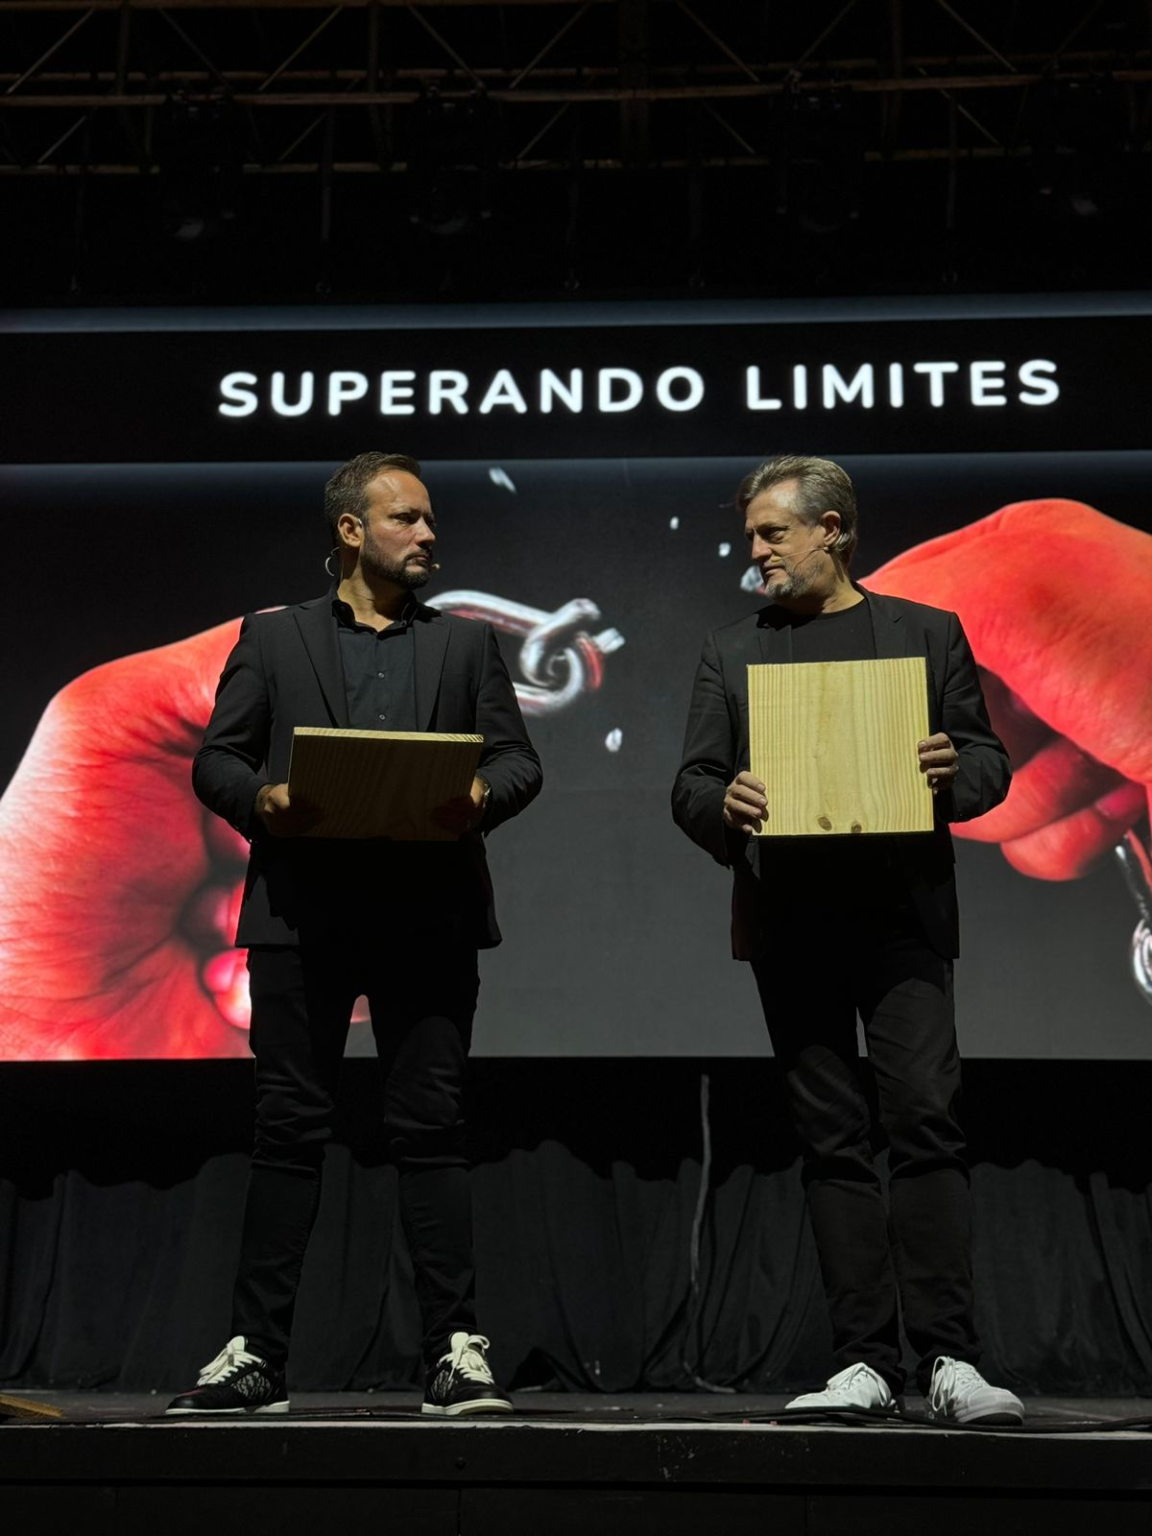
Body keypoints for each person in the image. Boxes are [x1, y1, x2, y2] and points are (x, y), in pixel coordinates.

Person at [166, 451, 542, 1417]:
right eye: (407, 518)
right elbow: (218, 760)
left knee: (431, 1127)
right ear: (350, 530)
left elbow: (517, 762)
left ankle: (454, 1351)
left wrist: (479, 794)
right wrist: (262, 800)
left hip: (429, 917)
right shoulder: (274, 637)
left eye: (429, 519)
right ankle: (257, 1354)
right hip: (303, 915)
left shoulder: (465, 646)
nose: (428, 534)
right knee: (288, 1128)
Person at [672, 454, 1025, 1424]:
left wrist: (954, 770)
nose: (756, 551)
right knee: (832, 1141)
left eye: (772, 533)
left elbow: (989, 764)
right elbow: (691, 784)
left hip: (902, 921)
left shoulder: (925, 633)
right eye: (750, 536)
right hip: (791, 924)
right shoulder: (733, 650)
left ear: (831, 530)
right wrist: (725, 802)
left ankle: (950, 1358)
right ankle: (864, 1361)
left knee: (925, 1123)